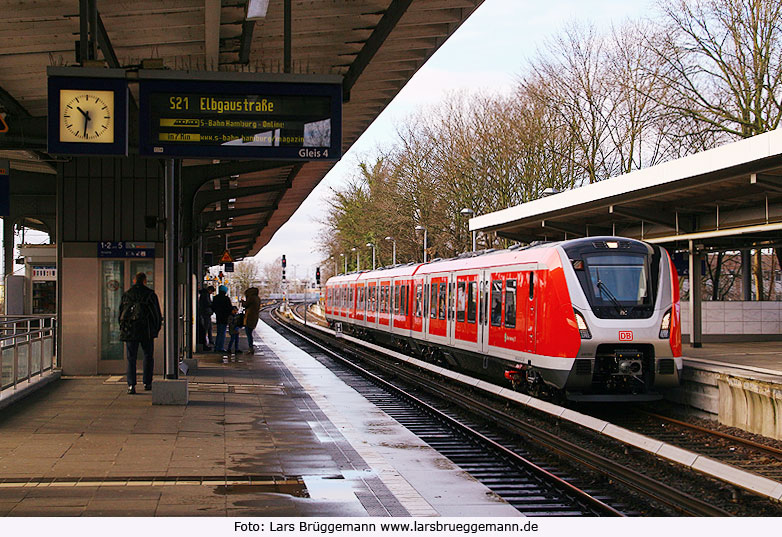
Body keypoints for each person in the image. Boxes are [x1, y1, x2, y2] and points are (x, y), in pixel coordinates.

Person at [118, 272, 162, 394]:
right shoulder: (150, 295)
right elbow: (157, 314)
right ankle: (147, 383)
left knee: (131, 358)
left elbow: (120, 313)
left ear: (134, 281)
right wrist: (156, 329)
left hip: (130, 330)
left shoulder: (127, 295)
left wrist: (123, 328)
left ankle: (131, 385)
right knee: (148, 356)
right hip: (146, 330)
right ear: (144, 281)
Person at [212, 284, 232, 353]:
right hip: (224, 318)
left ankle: (216, 347)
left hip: (218, 316)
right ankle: (220, 347)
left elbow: (213, 307)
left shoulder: (215, 298)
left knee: (219, 332)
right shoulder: (226, 299)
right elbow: (229, 308)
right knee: (222, 333)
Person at [241, 287, 260, 354]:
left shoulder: (251, 298)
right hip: (254, 317)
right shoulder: (257, 298)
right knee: (249, 333)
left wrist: (242, 301)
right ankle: (250, 347)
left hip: (249, 318)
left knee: (248, 333)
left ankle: (250, 348)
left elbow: (245, 305)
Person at [198, 285, 215, 350]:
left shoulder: (204, 294)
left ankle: (209, 341)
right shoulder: (205, 294)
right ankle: (205, 342)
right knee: (206, 327)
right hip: (206, 313)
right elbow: (207, 303)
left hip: (205, 313)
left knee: (208, 328)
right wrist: (212, 305)